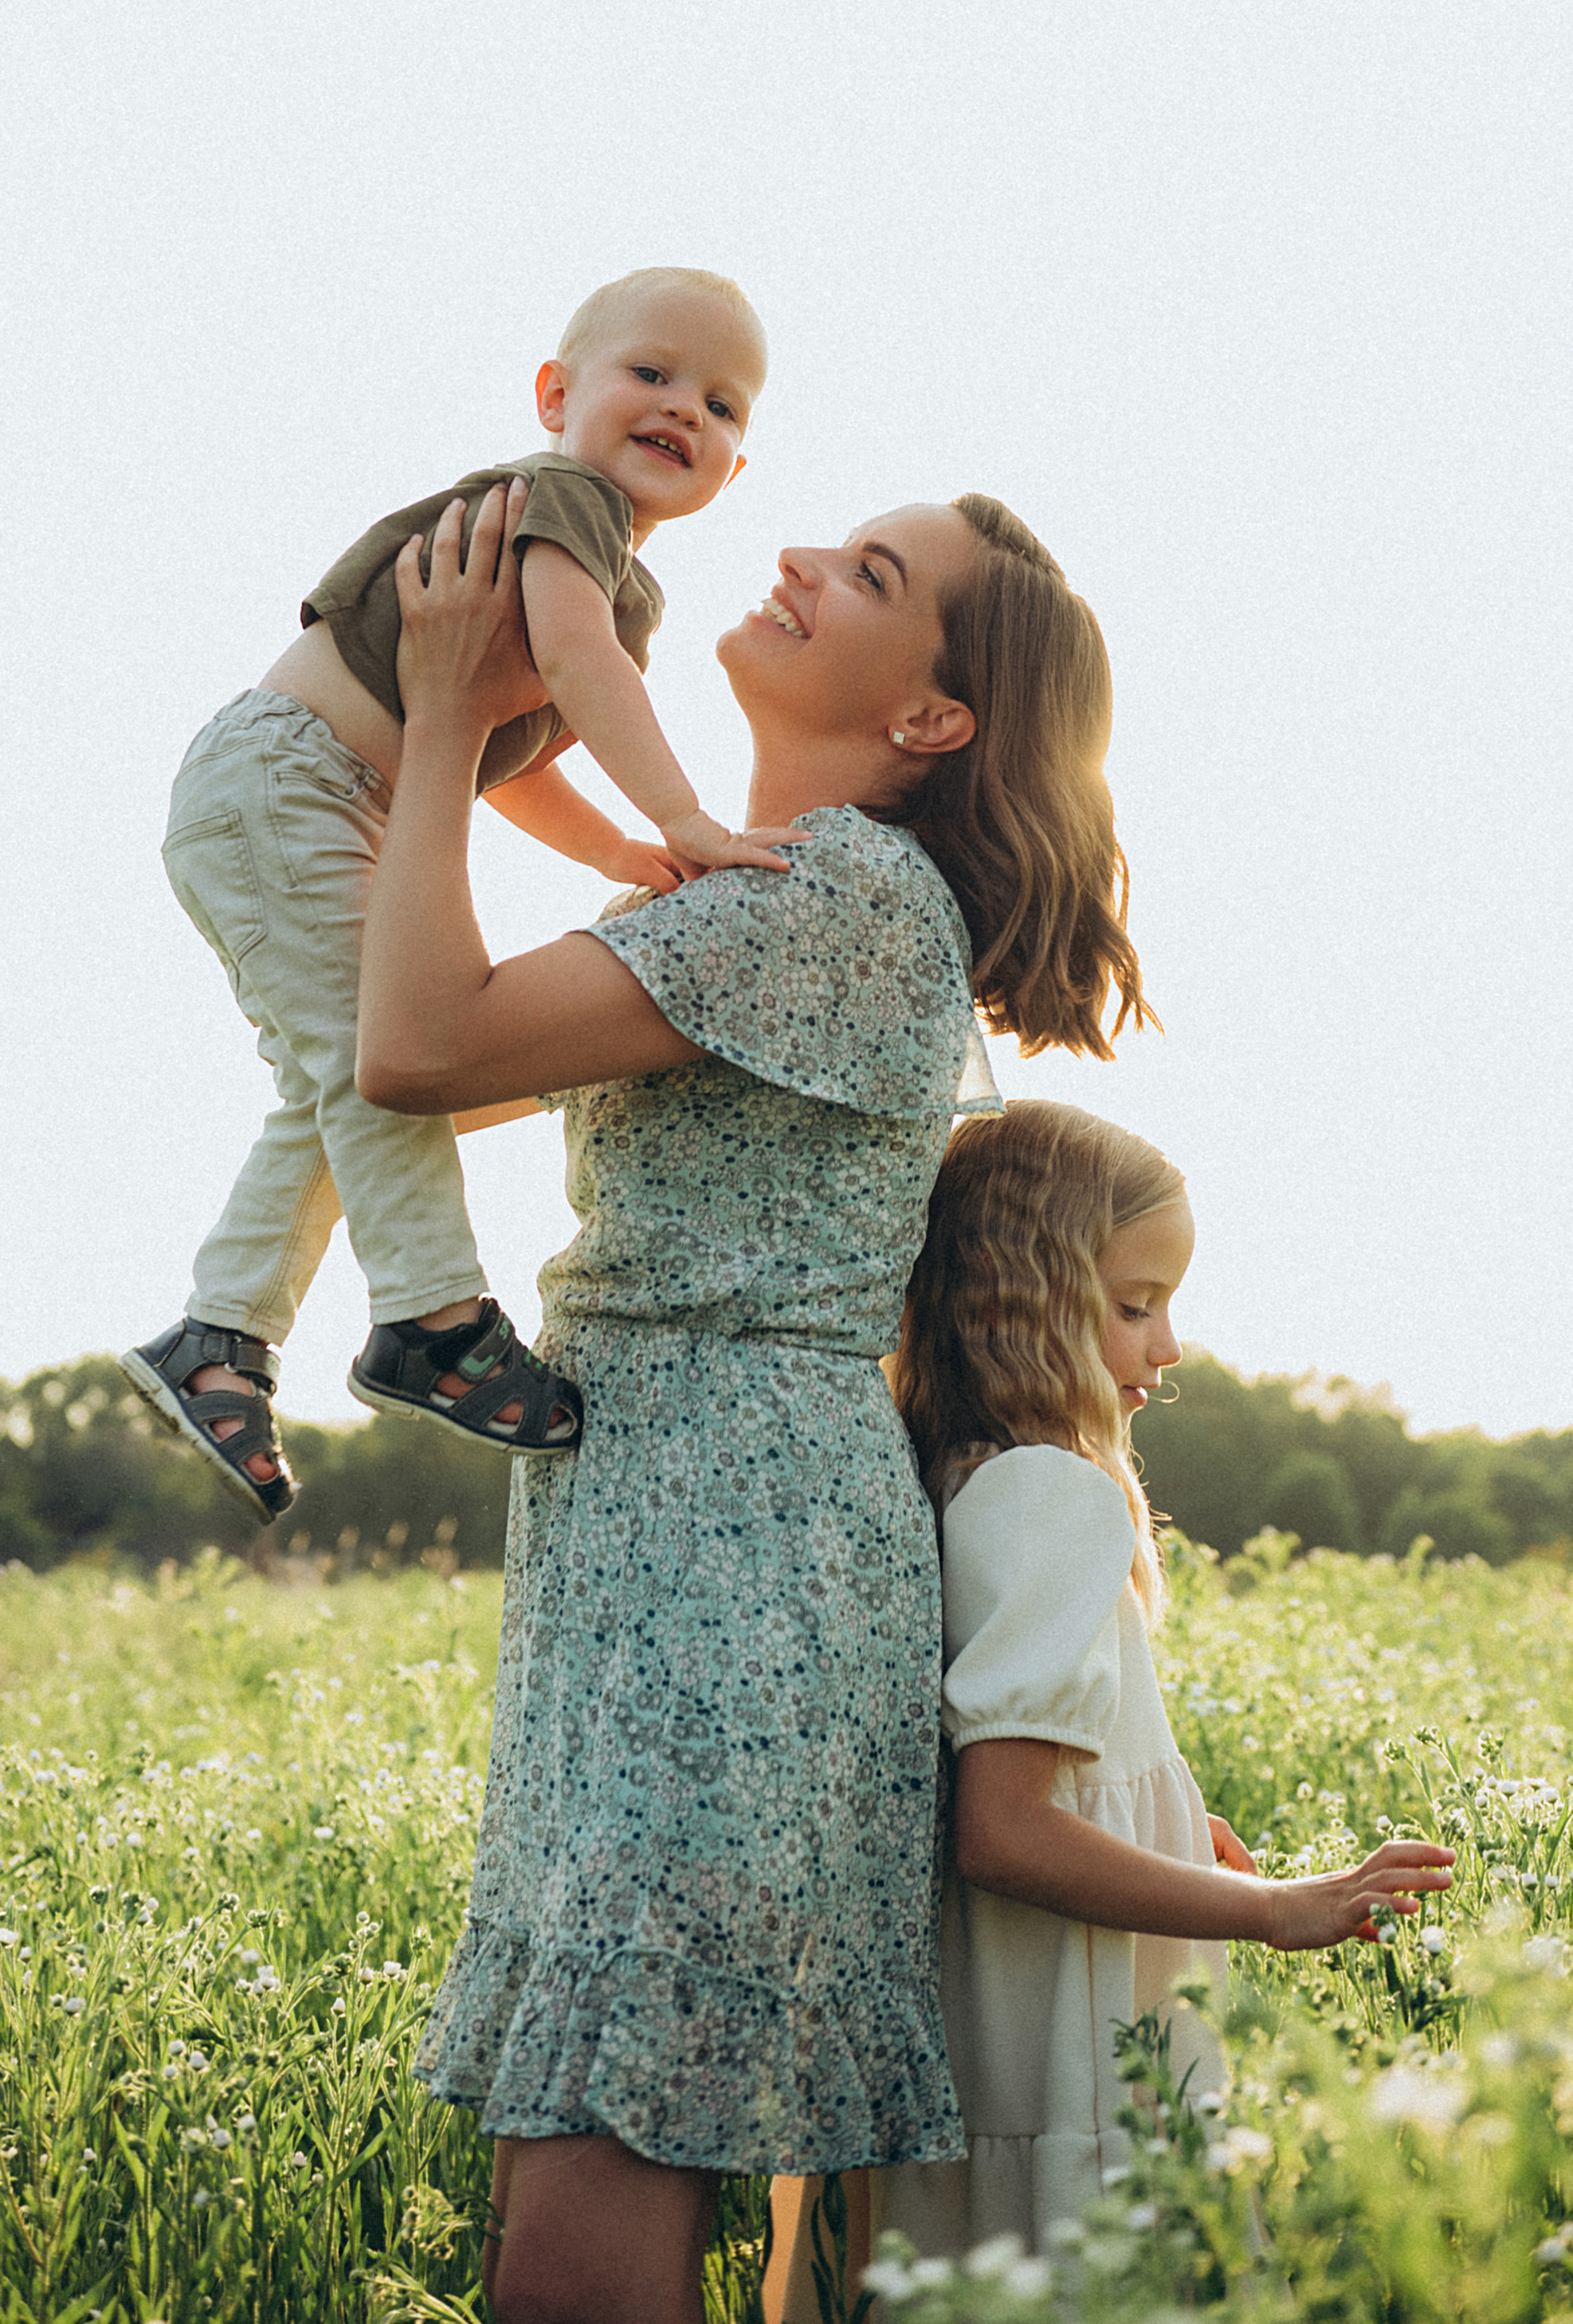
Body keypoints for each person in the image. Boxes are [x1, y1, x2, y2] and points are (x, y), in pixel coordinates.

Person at [351, 474, 1149, 2324]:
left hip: (726, 1549)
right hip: (689, 1521)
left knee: (605, 2134)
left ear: (928, 719)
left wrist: (459, 713)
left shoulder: (827, 892)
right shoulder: (768, 896)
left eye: (867, 574)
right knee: (634, 2111)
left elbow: (409, 1049)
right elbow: (424, 1048)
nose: (791, 555)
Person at [122, 265, 794, 1525]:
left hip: (314, 796)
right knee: (375, 1065)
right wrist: (684, 819)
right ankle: (435, 1318)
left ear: (734, 473)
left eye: (722, 405)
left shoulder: (610, 576)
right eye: (650, 375)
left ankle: (217, 1338)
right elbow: (578, 672)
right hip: (291, 781)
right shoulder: (563, 501)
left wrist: (611, 854)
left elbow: (501, 753)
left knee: (350, 1072)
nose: (684, 412)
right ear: (557, 394)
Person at [873, 1101, 1454, 2257]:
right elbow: (1006, 1827)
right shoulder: (1056, 1494)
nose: (1168, 1345)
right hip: (1072, 2055)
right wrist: (1279, 1908)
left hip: (991, 2038)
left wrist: (1168, 1823)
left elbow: (1020, 1781)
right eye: (1134, 1306)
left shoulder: (957, 1472)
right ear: (1021, 1298)